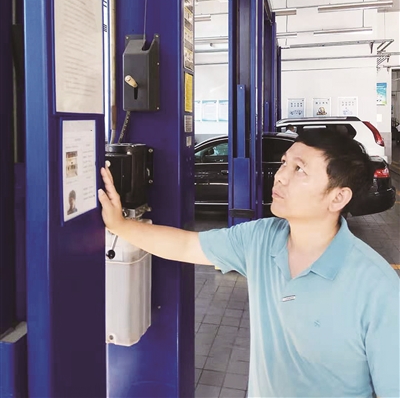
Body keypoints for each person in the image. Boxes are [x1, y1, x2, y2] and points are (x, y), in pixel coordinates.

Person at [98, 129, 399, 398]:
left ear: (338, 197)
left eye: (299, 169)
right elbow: (187, 245)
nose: (280, 176)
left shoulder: (377, 287)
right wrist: (120, 225)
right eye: (284, 163)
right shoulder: (261, 239)